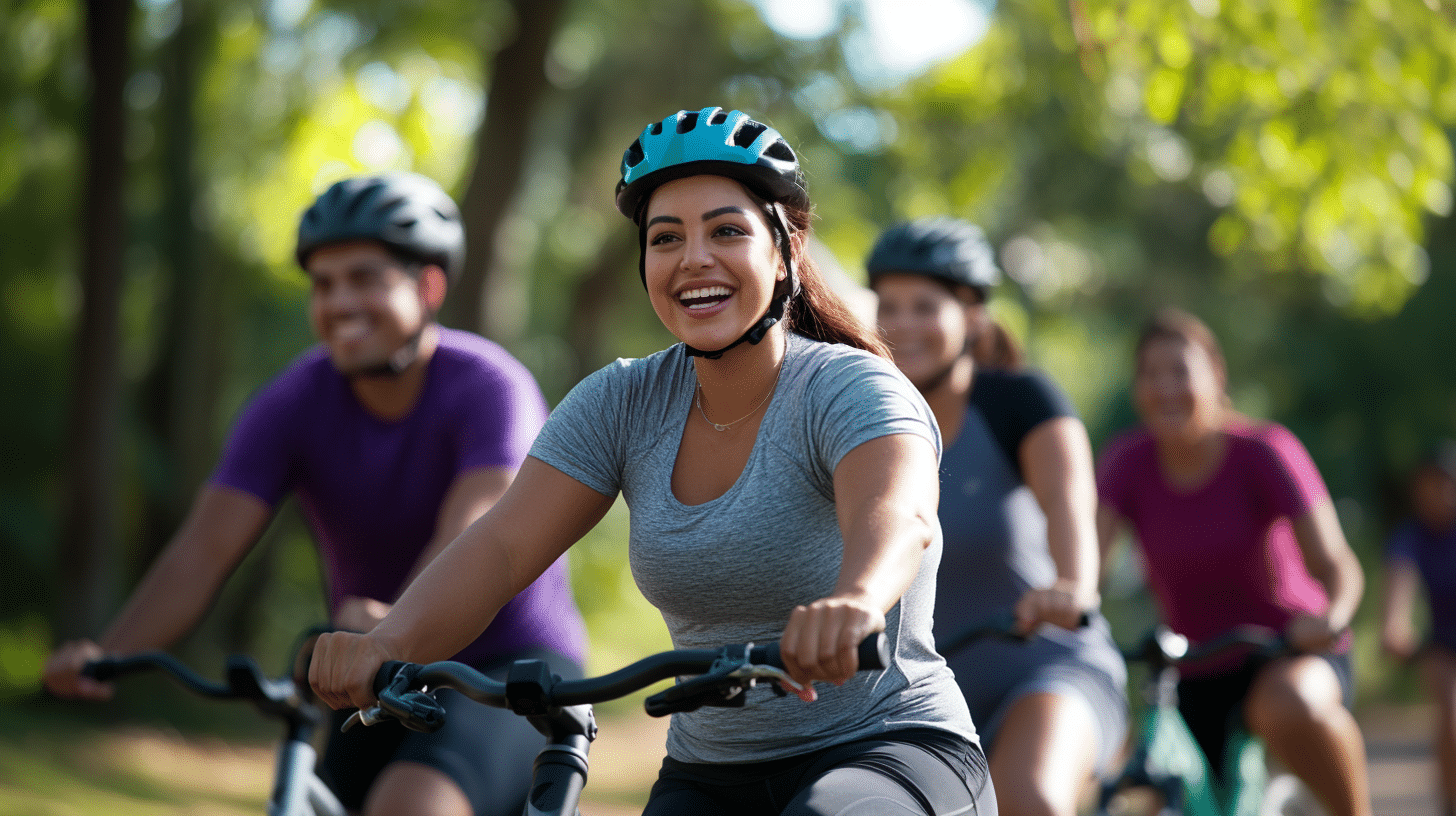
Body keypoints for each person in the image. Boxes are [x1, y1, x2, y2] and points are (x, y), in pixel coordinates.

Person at [309, 107, 995, 816]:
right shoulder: (623, 401)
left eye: (726, 230)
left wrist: (855, 602)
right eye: (666, 238)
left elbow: (897, 514)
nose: (693, 257)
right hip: (708, 775)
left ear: (786, 246)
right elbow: (503, 547)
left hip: (886, 750)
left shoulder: (851, 387)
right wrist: (386, 644)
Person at [42, 172, 588, 816]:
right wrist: (110, 653)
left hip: (507, 666)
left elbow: (474, 526)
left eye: (365, 278)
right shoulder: (294, 402)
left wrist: (391, 621)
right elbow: (203, 549)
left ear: (429, 286)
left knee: (411, 806)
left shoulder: (489, 386)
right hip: (373, 665)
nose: (340, 303)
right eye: (324, 285)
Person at [868, 217, 1127, 816]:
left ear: (974, 315)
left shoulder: (1020, 401)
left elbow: (1070, 509)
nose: (902, 325)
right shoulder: (860, 419)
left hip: (1046, 670)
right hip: (915, 699)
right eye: (889, 307)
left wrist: (1073, 586)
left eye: (925, 306)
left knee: (1029, 799)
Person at [1095, 307, 1371, 816]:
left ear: (1216, 375)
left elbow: (1336, 563)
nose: (1165, 387)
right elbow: (1087, 567)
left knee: (1289, 705)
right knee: (1149, 784)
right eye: (1150, 375)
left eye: (1180, 371)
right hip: (1192, 666)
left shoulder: (1265, 450)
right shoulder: (1126, 462)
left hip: (1286, 649)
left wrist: (1331, 616)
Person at [1379, 441, 1456, 816]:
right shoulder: (1409, 536)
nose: (1438, 495)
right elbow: (1400, 584)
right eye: (1428, 485)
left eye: (1446, 484)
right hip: (1442, 644)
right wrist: (1395, 627)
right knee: (1453, 716)